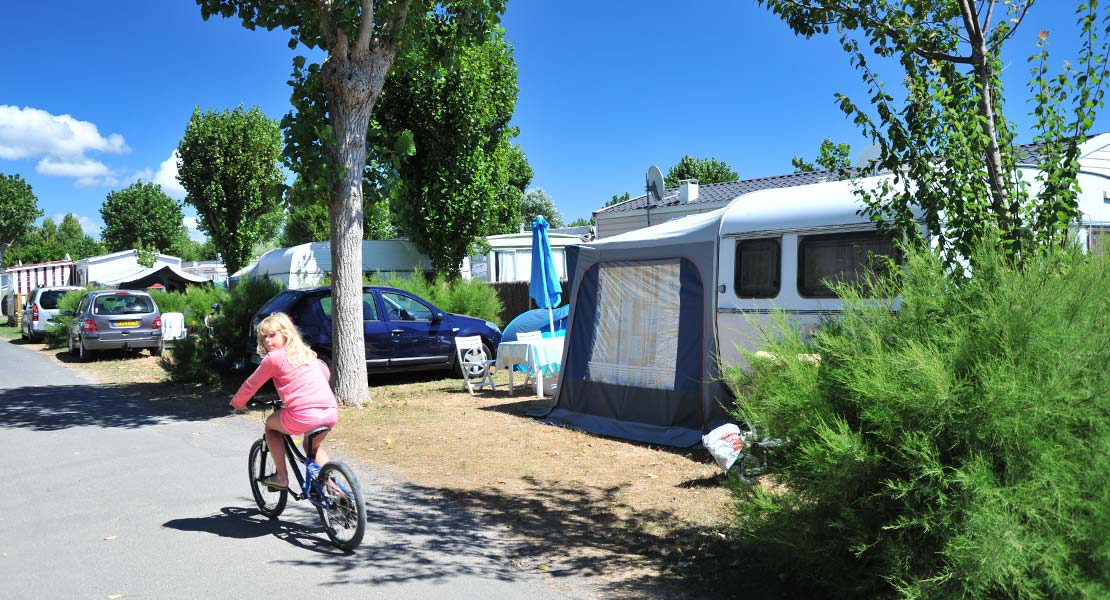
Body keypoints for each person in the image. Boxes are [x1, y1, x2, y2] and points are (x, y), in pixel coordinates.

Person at [230, 312, 338, 490]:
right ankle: (337, 490)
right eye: (263, 337)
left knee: (271, 426)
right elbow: (325, 373)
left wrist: (238, 403)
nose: (267, 341)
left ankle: (281, 477)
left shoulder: (274, 358)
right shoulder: (308, 353)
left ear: (286, 334)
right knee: (312, 447)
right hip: (329, 412)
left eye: (272, 335)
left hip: (303, 414)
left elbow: (252, 383)